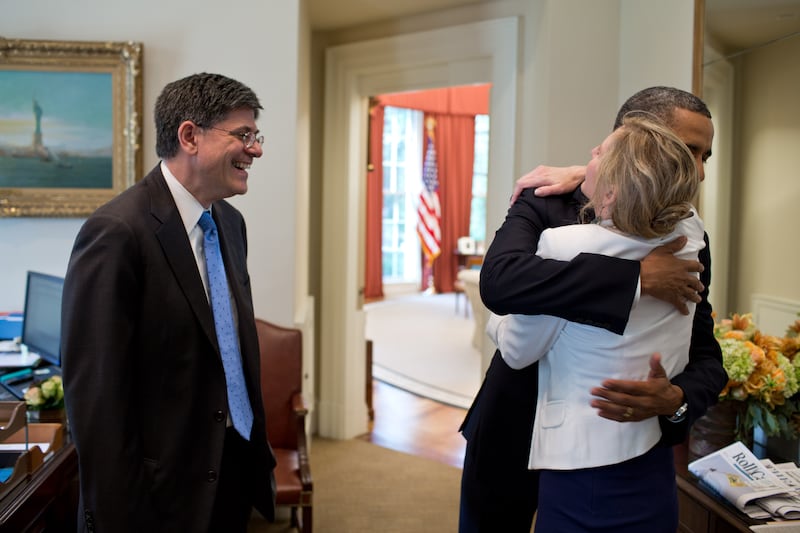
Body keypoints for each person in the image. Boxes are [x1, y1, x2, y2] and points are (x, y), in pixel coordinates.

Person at [458, 87, 728, 532]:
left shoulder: (687, 238)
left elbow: (704, 352)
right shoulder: (545, 200)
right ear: (633, 135)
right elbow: (502, 283)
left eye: (705, 157)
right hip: (513, 432)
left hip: (614, 450)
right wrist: (636, 278)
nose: (697, 172)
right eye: (688, 152)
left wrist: (677, 402)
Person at [61, 73, 276, 532]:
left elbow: (226, 349)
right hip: (154, 500)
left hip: (227, 473)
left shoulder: (230, 224)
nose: (255, 149)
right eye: (243, 135)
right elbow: (95, 402)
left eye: (255, 136)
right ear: (189, 136)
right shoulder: (116, 233)